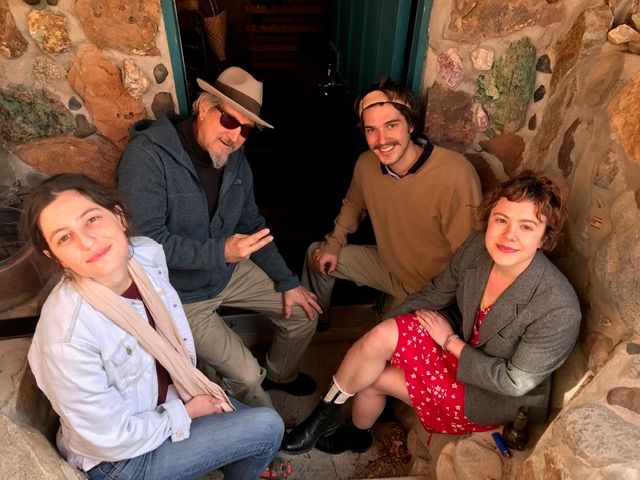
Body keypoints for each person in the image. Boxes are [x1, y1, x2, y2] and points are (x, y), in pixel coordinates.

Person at [282, 170, 581, 454]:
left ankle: (354, 434)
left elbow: (512, 382)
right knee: (378, 343)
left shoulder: (558, 308)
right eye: (501, 220)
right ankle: (327, 414)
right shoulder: (478, 247)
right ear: (489, 219)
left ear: (544, 237)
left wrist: (450, 343)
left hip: (489, 396)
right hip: (458, 349)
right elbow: (436, 291)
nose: (509, 235)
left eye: (526, 226)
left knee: (372, 378)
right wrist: (383, 338)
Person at [22, 173, 286, 479]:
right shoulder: (66, 336)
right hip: (122, 461)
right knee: (268, 427)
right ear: (55, 257)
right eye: (64, 238)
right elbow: (110, 438)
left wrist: (188, 401)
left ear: (120, 216)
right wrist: (185, 413)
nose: (87, 242)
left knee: (254, 426)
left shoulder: (146, 256)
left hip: (171, 398)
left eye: (92, 219)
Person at [116, 66, 322, 407]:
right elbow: (144, 244)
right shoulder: (147, 157)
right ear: (202, 107)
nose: (235, 136)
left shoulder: (234, 158)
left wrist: (288, 281)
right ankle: (257, 424)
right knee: (247, 376)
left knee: (304, 312)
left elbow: (252, 223)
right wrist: (220, 253)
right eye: (229, 120)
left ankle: (280, 374)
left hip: (227, 272)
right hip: (181, 293)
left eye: (246, 129)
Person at [302, 77, 482, 331]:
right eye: (371, 130)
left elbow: (468, 259)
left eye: (391, 125)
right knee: (316, 254)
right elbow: (353, 205)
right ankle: (314, 319)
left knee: (380, 342)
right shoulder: (366, 164)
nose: (381, 139)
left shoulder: (454, 174)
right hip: (389, 268)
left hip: (432, 290)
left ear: (411, 124)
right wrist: (334, 243)